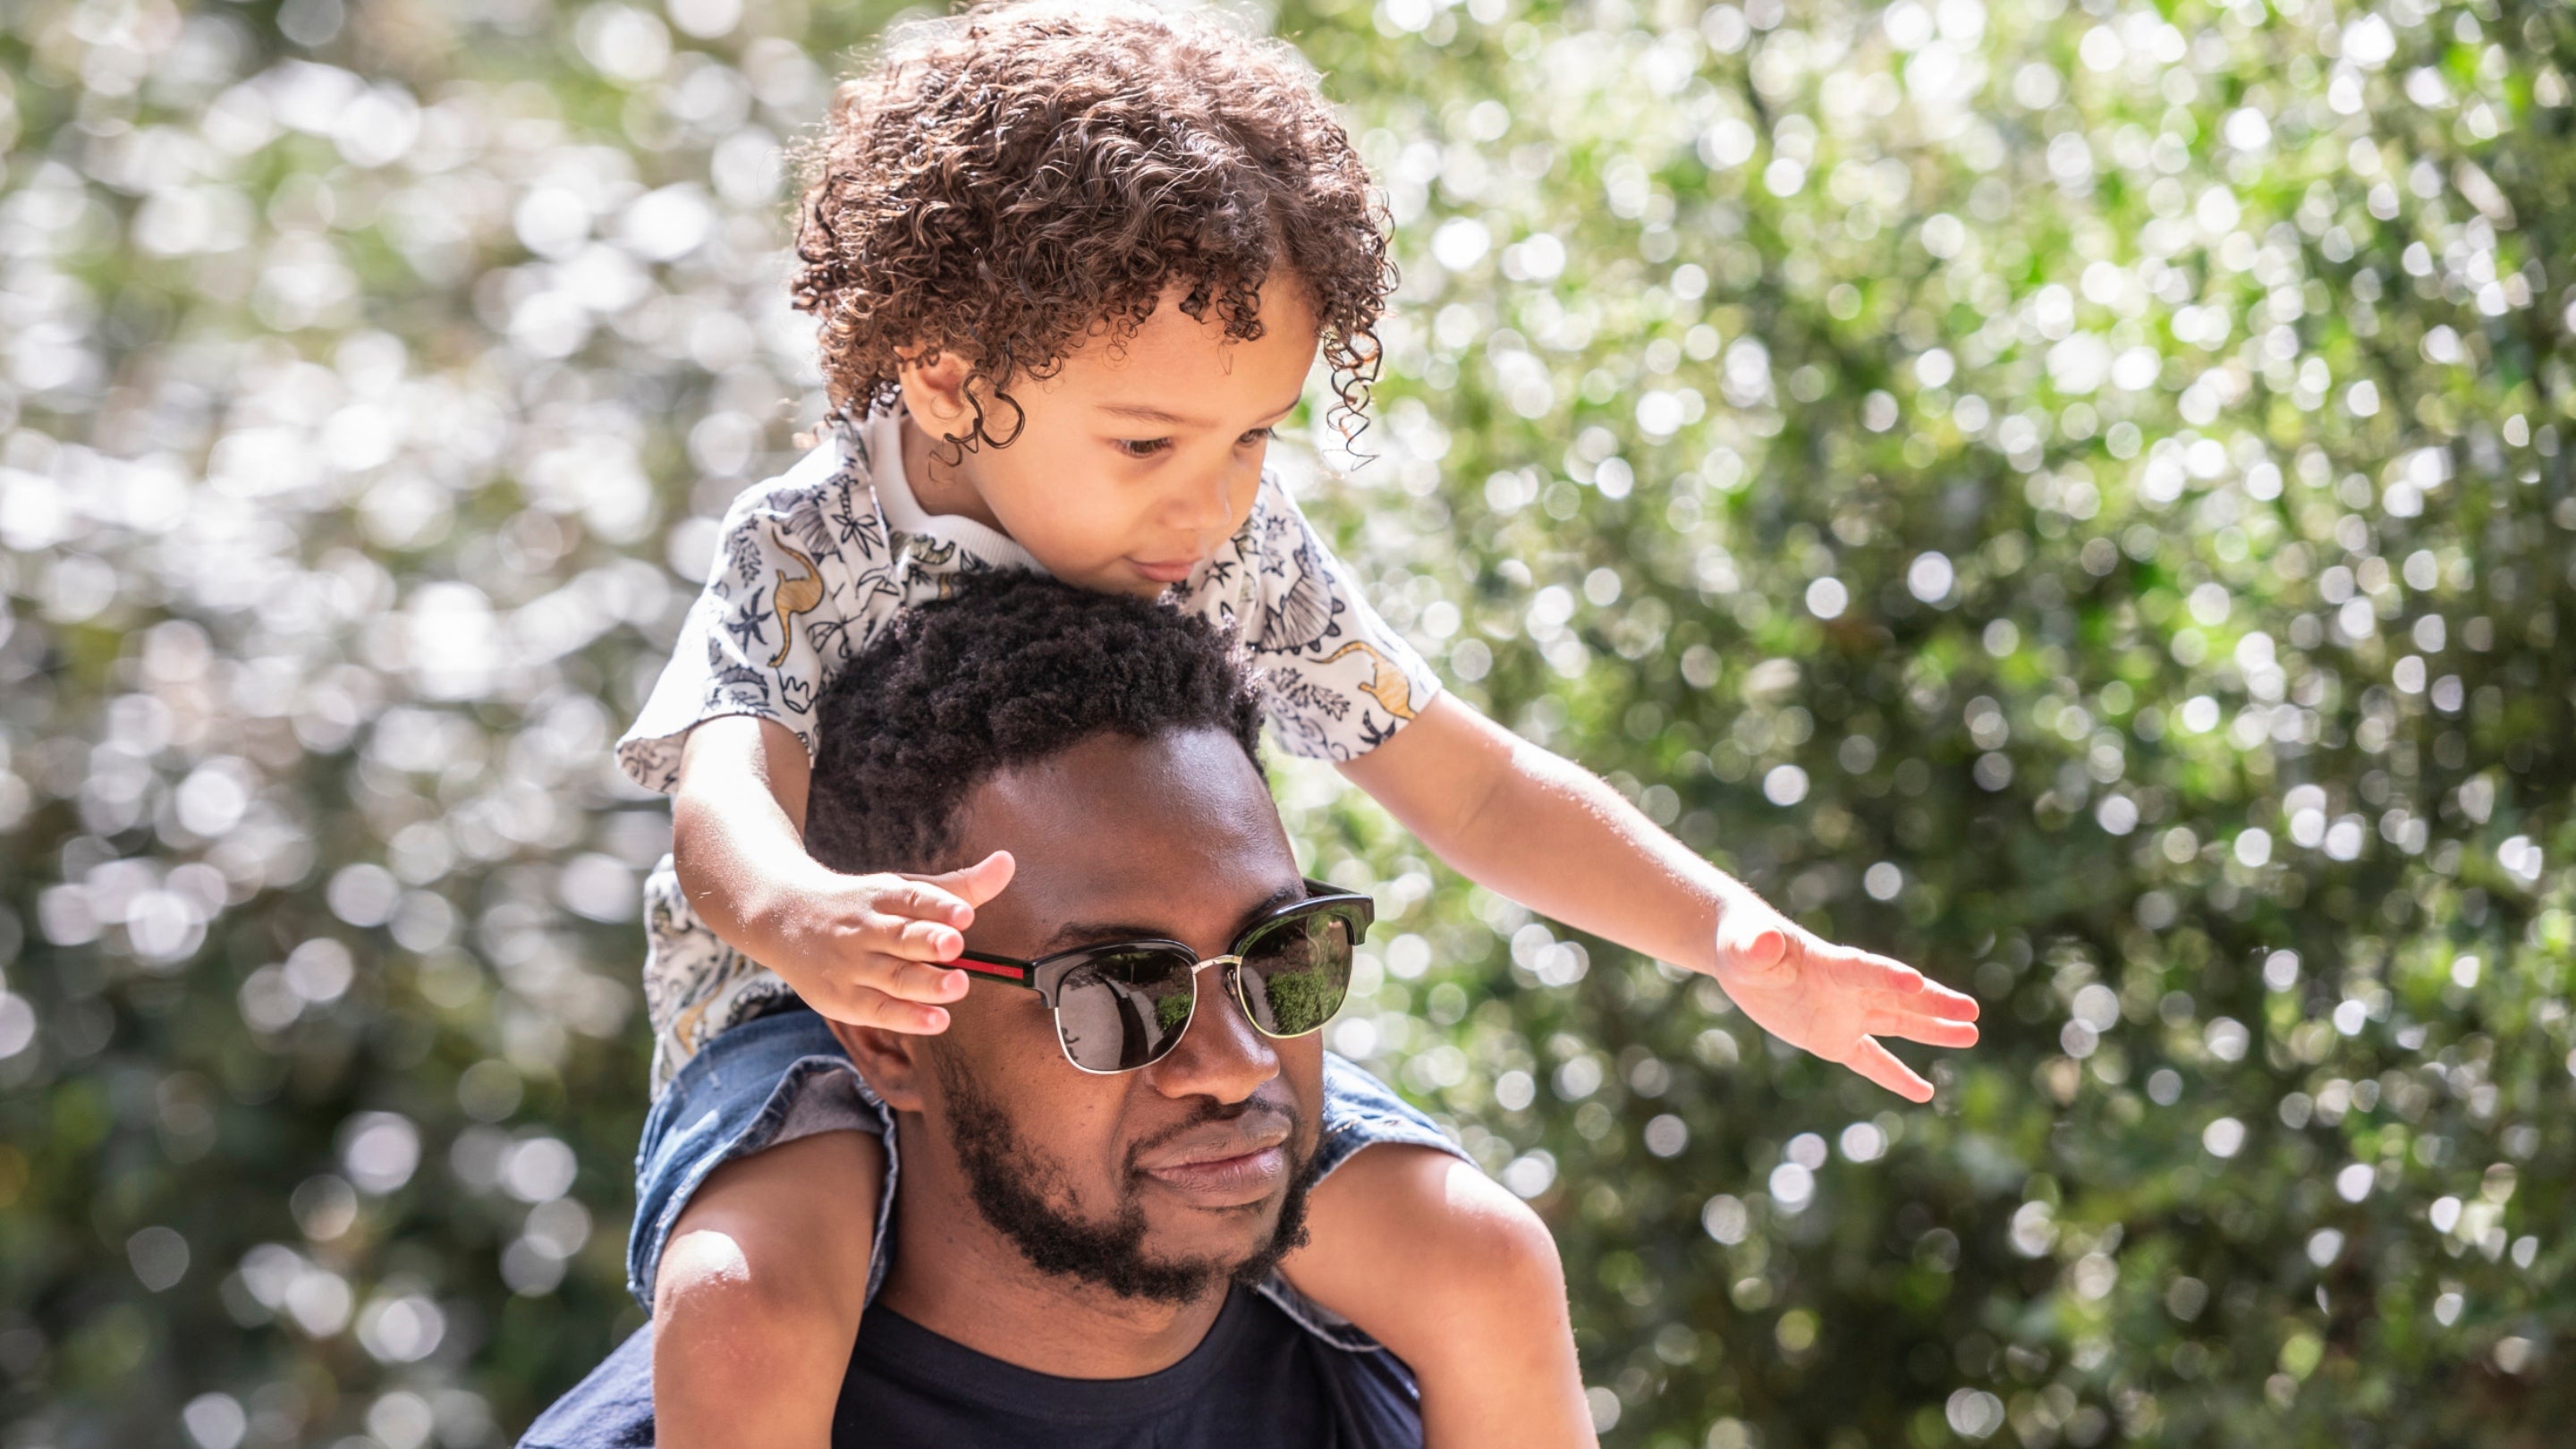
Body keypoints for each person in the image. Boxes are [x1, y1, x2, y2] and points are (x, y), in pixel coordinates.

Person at [615, 4, 1983, 1446]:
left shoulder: (1237, 553)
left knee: (1484, 1255)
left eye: (1255, 437)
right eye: (1148, 443)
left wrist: (1726, 935)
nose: (1207, 502)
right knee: (747, 1304)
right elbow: (721, 811)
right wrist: (804, 917)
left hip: (1163, 1024)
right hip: (807, 1016)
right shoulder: (804, 544)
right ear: (953, 377)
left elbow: (1478, 788)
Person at [525, 573, 1451, 1447]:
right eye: (1120, 992)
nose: (1238, 1059)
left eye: (1279, 952)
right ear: (890, 1037)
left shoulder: (1432, 1379)